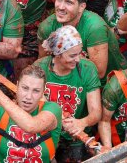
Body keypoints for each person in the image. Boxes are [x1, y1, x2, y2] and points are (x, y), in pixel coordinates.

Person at [37, 0, 127, 87]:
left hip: (106, 84)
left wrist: (58, 49)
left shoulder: (94, 27)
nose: (60, 7)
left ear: (81, 7)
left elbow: (99, 73)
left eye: (68, 2)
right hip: (69, 81)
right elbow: (42, 67)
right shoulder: (47, 27)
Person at [35, 25, 101, 162]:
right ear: (57, 54)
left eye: (79, 53)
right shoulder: (40, 68)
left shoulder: (88, 69)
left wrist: (82, 122)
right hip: (45, 133)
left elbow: (96, 112)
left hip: (76, 137)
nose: (77, 59)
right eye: (72, 55)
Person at [0, 65, 62, 162]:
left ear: (43, 93)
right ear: (17, 86)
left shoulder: (52, 109)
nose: (28, 96)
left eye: (36, 91)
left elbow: (31, 126)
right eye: (25, 88)